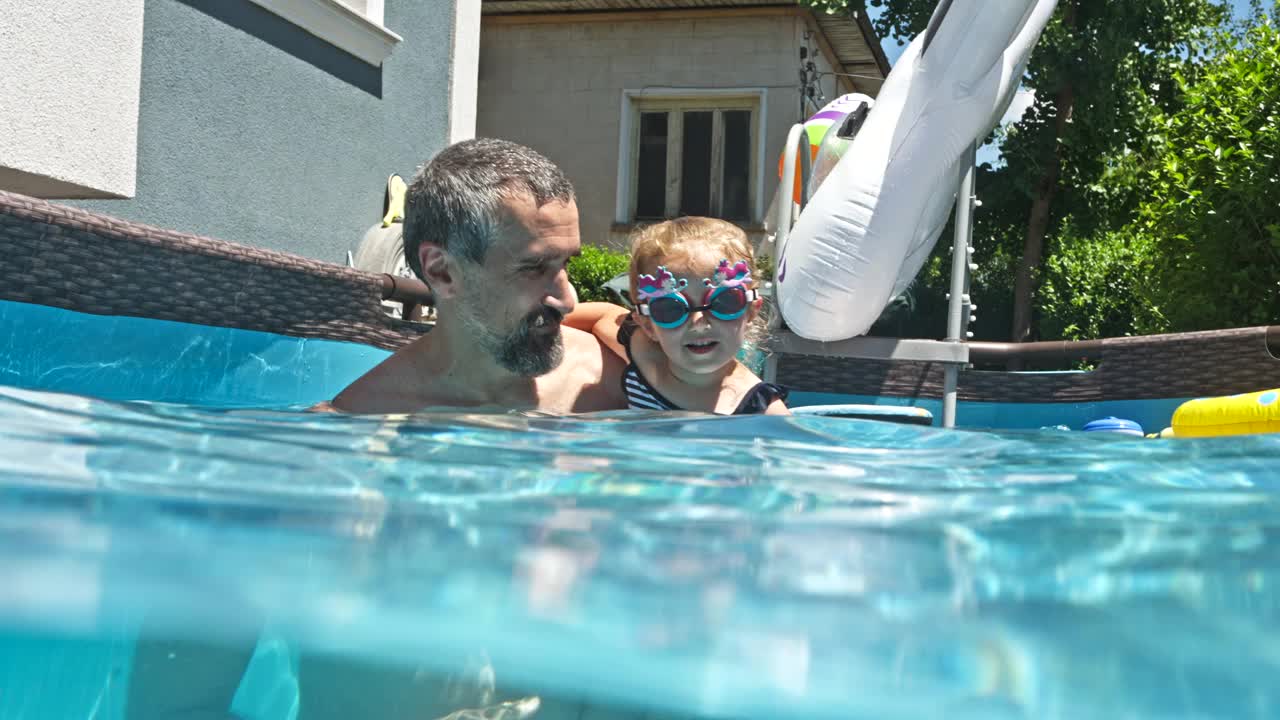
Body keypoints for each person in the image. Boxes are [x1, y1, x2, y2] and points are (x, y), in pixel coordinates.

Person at [328, 138, 627, 414]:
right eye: (534, 267)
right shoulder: (362, 421)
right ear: (441, 272)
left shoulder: (616, 380)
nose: (568, 300)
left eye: (566, 264)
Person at [565, 217, 788, 416]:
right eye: (671, 308)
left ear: (751, 309)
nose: (699, 322)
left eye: (724, 301)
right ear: (648, 325)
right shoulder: (640, 350)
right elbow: (602, 314)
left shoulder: (758, 409)